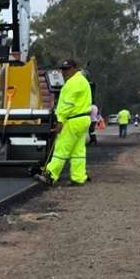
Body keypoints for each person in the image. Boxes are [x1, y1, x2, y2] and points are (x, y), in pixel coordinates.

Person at [36, 58, 92, 186]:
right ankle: (78, 177)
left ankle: (50, 175)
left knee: (61, 148)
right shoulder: (83, 81)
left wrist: (60, 121)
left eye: (67, 69)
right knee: (78, 151)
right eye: (62, 69)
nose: (64, 72)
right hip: (83, 119)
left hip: (72, 120)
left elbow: (67, 104)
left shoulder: (72, 82)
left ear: (75, 68)